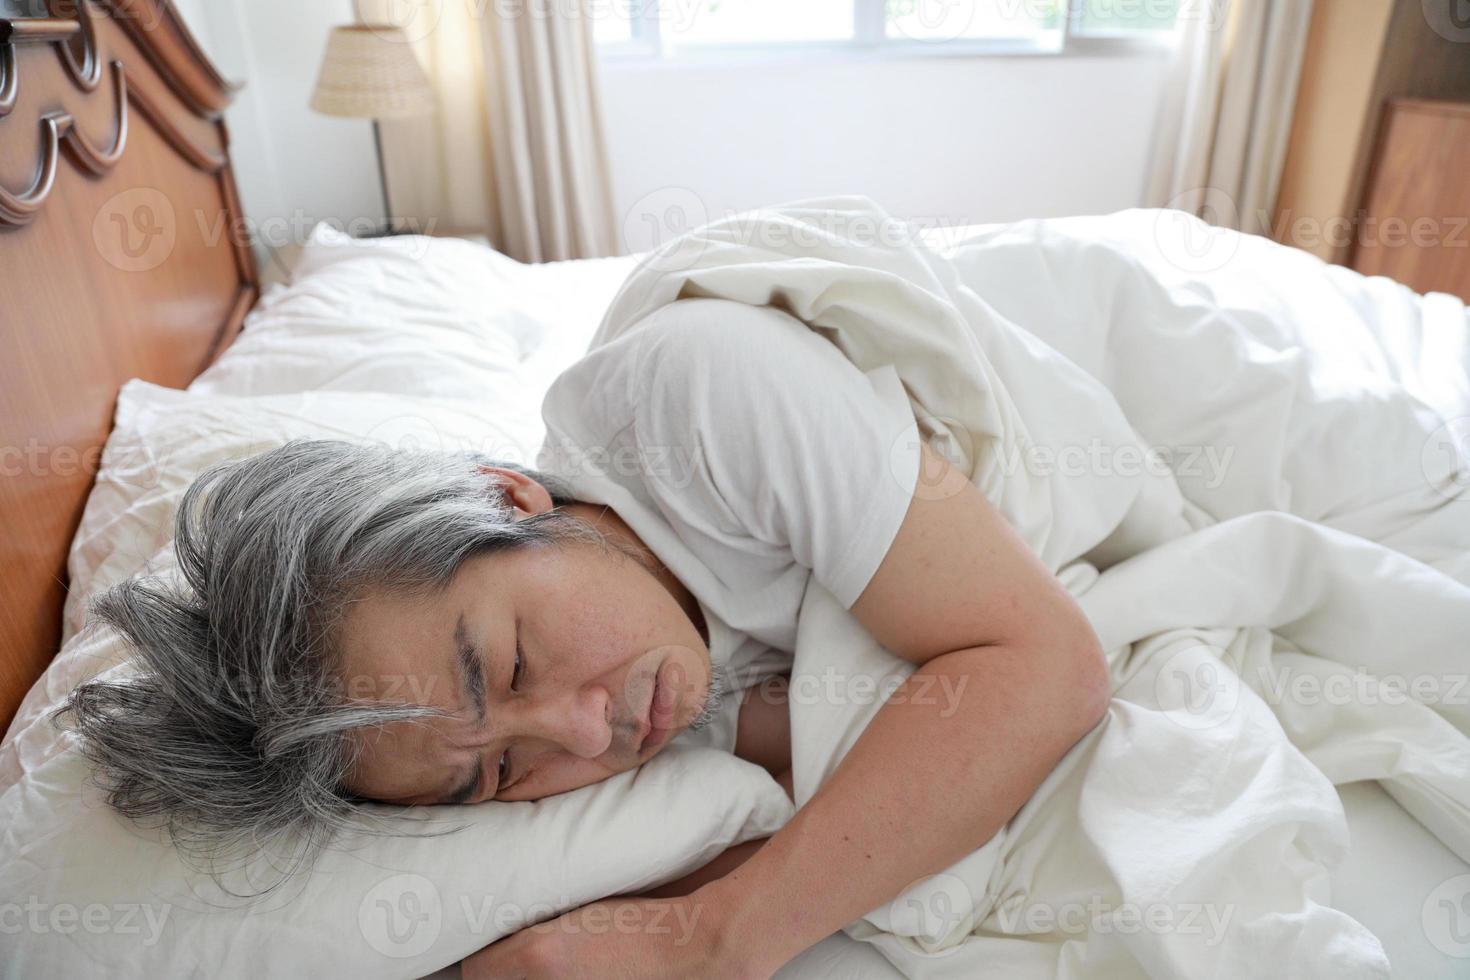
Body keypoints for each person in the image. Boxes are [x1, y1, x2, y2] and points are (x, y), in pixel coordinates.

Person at [59, 297, 1109, 978]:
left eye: (508, 665)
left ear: (503, 493)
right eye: (500, 771)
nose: (584, 734)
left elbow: (1046, 666)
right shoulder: (638, 703)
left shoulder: (700, 396)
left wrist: (711, 937)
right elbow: (860, 746)